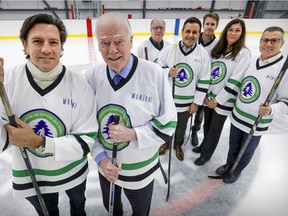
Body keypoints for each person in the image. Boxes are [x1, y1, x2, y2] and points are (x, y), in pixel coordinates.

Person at [0, 14, 98, 216]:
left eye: (53, 42)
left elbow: (85, 140)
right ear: (24, 45)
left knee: (78, 206)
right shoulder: (7, 82)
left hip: (73, 171)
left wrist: (39, 142)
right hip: (33, 174)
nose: (46, 49)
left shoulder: (80, 85)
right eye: (37, 41)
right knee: (48, 212)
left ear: (61, 48)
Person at [85, 12, 177, 215]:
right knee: (112, 208)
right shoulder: (91, 75)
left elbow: (169, 124)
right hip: (106, 167)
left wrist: (132, 134)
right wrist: (101, 159)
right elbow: (85, 126)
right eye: (104, 43)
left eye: (119, 41)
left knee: (140, 211)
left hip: (141, 169)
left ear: (131, 40)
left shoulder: (154, 74)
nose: (112, 50)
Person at [213, 26, 288, 183]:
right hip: (237, 115)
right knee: (233, 145)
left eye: (274, 40)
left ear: (282, 43)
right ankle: (228, 165)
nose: (268, 44)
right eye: (265, 40)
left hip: (256, 121)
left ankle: (236, 171)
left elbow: (286, 103)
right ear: (260, 42)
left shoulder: (283, 70)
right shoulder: (253, 59)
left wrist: (271, 109)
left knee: (246, 150)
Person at [193, 19, 251, 166]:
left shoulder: (244, 53)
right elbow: (208, 72)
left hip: (223, 100)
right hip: (209, 98)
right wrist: (206, 95)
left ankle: (206, 154)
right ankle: (204, 146)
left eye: (237, 30)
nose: (233, 33)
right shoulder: (218, 49)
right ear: (225, 31)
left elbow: (235, 80)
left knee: (215, 129)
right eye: (230, 29)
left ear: (242, 33)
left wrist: (217, 100)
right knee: (207, 125)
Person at [158, 17, 211, 161]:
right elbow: (157, 69)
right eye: (188, 31)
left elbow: (204, 80)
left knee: (181, 126)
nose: (191, 35)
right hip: (169, 100)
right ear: (182, 32)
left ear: (199, 34)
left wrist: (196, 102)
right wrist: (168, 71)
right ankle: (166, 143)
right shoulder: (170, 50)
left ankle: (177, 145)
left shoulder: (203, 55)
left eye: (195, 32)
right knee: (166, 123)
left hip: (187, 103)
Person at [190, 12, 220, 147]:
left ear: (216, 26)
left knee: (200, 111)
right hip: (190, 81)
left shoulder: (219, 45)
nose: (209, 27)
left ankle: (195, 131)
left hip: (206, 84)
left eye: (212, 24)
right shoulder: (194, 39)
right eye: (207, 24)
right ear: (203, 25)